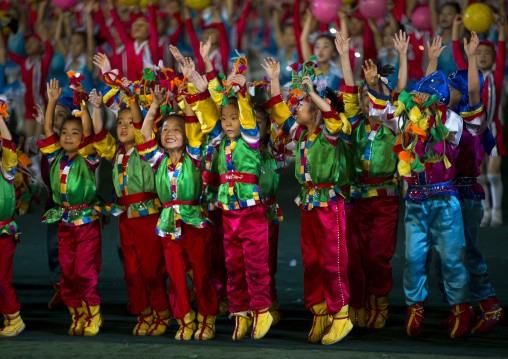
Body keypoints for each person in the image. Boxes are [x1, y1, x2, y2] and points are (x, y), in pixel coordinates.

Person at [366, 61, 473, 339]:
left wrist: (430, 123)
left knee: (452, 258)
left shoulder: (449, 117)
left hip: (444, 199)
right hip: (415, 201)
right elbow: (379, 113)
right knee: (414, 259)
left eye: (429, 94)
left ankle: (461, 309)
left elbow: (453, 139)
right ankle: (415, 308)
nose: (422, 98)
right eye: (419, 93)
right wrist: (373, 85)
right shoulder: (403, 118)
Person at [261, 57, 353, 345]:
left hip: (329, 204)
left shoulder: (329, 133)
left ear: (315, 112)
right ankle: (320, 312)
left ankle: (342, 316)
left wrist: (312, 91)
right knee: (311, 260)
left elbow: (333, 116)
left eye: (300, 104)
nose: (295, 107)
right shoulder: (300, 133)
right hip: (309, 204)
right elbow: (278, 114)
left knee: (332, 261)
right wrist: (275, 80)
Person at [188, 64, 273, 341]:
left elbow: (247, 116)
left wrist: (242, 91)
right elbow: (207, 115)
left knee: (255, 263)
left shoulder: (250, 140)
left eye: (233, 118)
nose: (227, 123)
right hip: (228, 213)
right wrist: (204, 73)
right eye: (225, 119)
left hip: (251, 211)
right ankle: (239, 312)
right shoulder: (219, 142)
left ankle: (262, 309)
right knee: (233, 264)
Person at [336, 30, 409, 329]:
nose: (369, 100)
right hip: (356, 200)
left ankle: (380, 302)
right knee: (354, 256)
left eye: (375, 95)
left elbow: (390, 98)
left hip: (384, 202)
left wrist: (403, 57)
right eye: (366, 97)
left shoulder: (395, 124)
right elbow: (349, 93)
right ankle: (359, 302)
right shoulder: (354, 123)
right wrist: (343, 57)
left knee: (378, 256)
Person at [137, 82, 219, 341]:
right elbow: (145, 132)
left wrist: (188, 100)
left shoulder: (195, 157)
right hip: (168, 227)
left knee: (202, 275)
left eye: (176, 129)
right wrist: (154, 106)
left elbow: (196, 130)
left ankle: (207, 318)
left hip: (195, 225)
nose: (168, 132)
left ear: (186, 135)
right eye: (165, 129)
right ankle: (184, 318)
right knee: (176, 278)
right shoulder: (158, 160)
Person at [90, 82, 171, 336]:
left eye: (129, 122)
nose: (124, 126)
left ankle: (162, 313)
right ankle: (143, 312)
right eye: (120, 123)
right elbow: (98, 135)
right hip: (126, 220)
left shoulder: (146, 151)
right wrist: (95, 108)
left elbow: (139, 126)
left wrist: (131, 96)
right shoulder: (115, 152)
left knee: (151, 270)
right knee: (132, 272)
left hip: (149, 218)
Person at [37, 79, 104, 336]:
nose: (67, 137)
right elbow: (48, 132)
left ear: (83, 139)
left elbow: (88, 133)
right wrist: (52, 101)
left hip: (86, 224)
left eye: (75, 133)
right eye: (64, 132)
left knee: (84, 271)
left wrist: (83, 104)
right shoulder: (55, 156)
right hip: (64, 223)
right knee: (67, 273)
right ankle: (76, 314)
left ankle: (92, 314)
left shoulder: (89, 158)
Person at [452, 14, 506, 227]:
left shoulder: (497, 76)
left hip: (493, 128)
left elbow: (502, 53)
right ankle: (486, 211)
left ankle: (498, 212)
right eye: (479, 53)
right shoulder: (468, 76)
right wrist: (456, 29)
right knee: (480, 174)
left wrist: (502, 30)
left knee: (493, 172)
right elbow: (457, 55)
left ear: (493, 58)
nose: (482, 57)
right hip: (473, 131)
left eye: (487, 53)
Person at [0, 102, 24, 337]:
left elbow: (9, 145)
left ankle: (13, 319)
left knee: (0, 280)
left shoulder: (6, 168)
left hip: (3, 235)